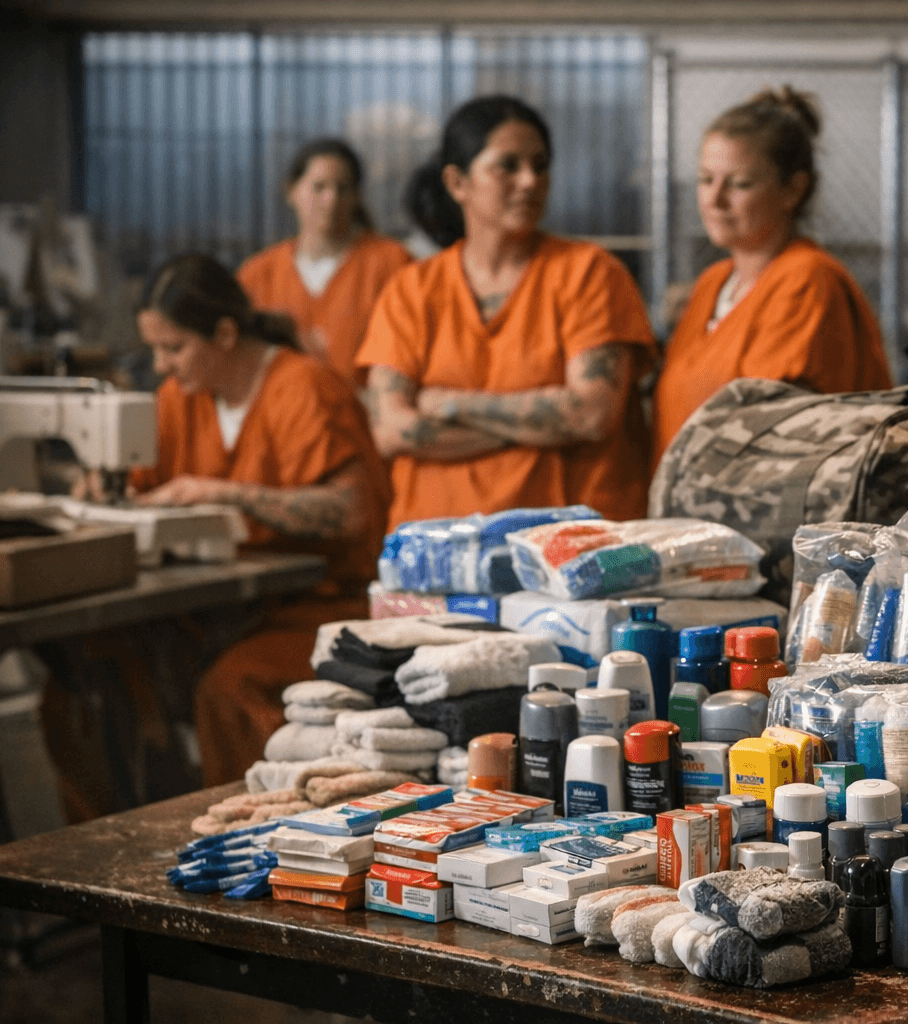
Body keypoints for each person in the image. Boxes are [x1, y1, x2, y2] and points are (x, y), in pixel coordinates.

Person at [49, 254, 391, 801]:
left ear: (226, 333)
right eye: (155, 348)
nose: (161, 364)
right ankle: (98, 851)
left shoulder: (304, 387)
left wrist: (229, 494)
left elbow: (347, 511)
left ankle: (252, 837)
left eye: (174, 347)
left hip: (319, 608)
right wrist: (96, 488)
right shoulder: (180, 398)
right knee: (87, 676)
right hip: (220, 611)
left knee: (231, 689)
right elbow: (134, 482)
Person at [356, 95, 655, 529]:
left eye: (541, 165)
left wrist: (447, 403)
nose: (530, 181)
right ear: (458, 182)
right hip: (437, 550)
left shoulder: (590, 274)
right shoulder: (411, 291)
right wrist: (542, 424)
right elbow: (392, 430)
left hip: (571, 554)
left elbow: (590, 415)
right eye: (508, 166)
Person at [650, 86, 893, 464]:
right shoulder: (713, 283)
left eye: (739, 183)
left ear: (794, 188)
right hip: (696, 512)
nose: (714, 200)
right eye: (706, 179)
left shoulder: (808, 279)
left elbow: (767, 435)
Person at [237, 138, 413, 386]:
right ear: (291, 191)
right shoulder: (257, 274)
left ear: (356, 197)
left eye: (343, 188)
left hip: (368, 414)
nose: (331, 199)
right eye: (319, 187)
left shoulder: (392, 263)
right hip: (283, 416)